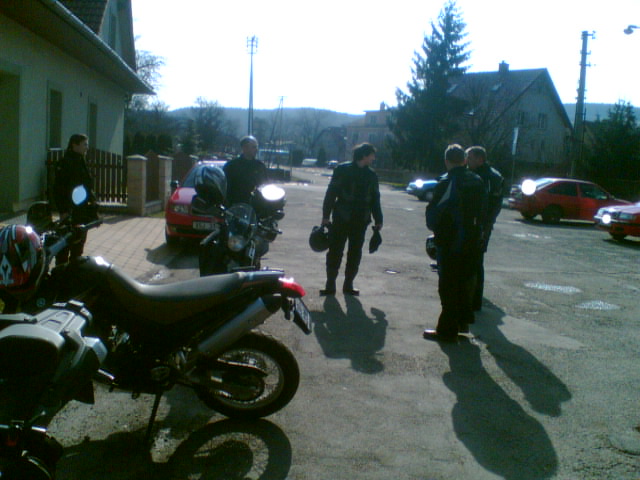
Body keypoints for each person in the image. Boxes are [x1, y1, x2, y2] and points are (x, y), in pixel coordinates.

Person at [423, 144, 487, 342]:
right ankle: (462, 324)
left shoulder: (448, 181)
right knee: (465, 283)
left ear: (447, 161)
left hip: (452, 241)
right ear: (465, 160)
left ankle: (446, 331)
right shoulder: (477, 180)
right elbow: (484, 211)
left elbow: (434, 214)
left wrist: (436, 229)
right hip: (472, 240)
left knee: (448, 286)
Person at [320, 143, 383, 296]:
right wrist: (325, 216)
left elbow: (375, 199)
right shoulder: (342, 170)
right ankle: (330, 284)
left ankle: (348, 285)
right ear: (364, 155)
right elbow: (331, 193)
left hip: (361, 220)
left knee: (355, 253)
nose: (373, 158)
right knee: (335, 251)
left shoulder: (371, 175)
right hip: (341, 217)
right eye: (372, 155)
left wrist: (378, 220)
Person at [466, 146, 504, 311]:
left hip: (481, 225)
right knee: (472, 259)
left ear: (480, 159)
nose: (467, 161)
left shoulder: (490, 177)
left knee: (476, 261)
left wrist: (484, 226)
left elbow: (493, 205)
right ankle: (470, 297)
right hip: (475, 224)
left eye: (470, 158)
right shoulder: (477, 174)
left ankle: (475, 301)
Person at [53, 133, 97, 264]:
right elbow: (58, 189)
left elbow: (85, 185)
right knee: (64, 246)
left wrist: (93, 202)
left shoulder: (80, 160)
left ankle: (74, 271)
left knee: (78, 246)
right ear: (74, 145)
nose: (87, 147)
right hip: (70, 212)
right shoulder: (66, 163)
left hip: (81, 211)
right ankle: (61, 272)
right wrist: (63, 211)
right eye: (84, 144)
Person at [223, 135, 268, 206]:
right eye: (253, 147)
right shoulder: (232, 165)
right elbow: (225, 186)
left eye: (256, 147)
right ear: (244, 148)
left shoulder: (260, 166)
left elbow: (265, 185)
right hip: (235, 204)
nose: (256, 150)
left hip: (256, 206)